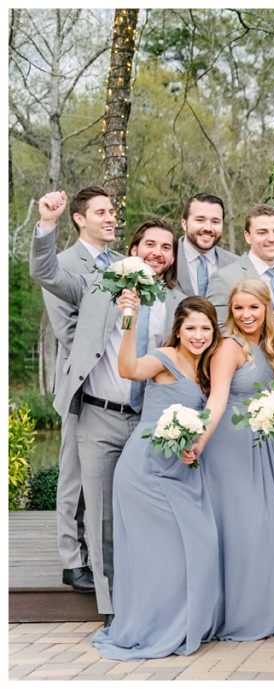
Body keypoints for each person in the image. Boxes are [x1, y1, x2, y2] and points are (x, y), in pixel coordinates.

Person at [31, 198, 185, 622]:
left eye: (166, 247)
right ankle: (113, 608)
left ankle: (154, 593)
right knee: (99, 517)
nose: (157, 252)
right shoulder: (98, 283)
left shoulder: (176, 300)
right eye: (149, 244)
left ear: (173, 256)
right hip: (99, 414)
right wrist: (47, 222)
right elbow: (45, 273)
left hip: (149, 417)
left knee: (145, 508)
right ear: (133, 250)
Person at [91, 296, 222, 659]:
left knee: (200, 543)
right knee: (157, 554)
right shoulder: (164, 358)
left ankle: (179, 623)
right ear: (178, 330)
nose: (198, 335)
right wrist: (128, 319)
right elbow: (129, 369)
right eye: (191, 328)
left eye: (205, 328)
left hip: (180, 468)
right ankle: (153, 628)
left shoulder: (207, 367)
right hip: (145, 467)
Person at [189, 279, 274, 640]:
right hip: (229, 442)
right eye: (238, 308)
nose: (246, 315)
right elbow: (215, 399)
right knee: (241, 527)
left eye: (254, 307)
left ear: (266, 307)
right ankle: (236, 615)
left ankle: (257, 608)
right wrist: (200, 442)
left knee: (262, 526)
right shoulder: (229, 347)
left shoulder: (265, 346)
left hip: (258, 442)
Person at [40, 186, 115, 595]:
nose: (110, 218)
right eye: (101, 212)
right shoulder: (66, 263)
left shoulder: (123, 264)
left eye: (112, 211)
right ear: (79, 218)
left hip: (119, 387)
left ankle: (100, 553)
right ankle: (71, 560)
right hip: (81, 383)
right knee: (73, 477)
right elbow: (67, 329)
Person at [206, 204, 274, 327]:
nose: (272, 238)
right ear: (248, 237)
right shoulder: (224, 278)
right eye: (262, 233)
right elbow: (219, 329)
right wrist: (266, 323)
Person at [177, 192, 237, 298]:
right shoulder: (165, 260)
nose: (208, 228)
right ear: (184, 224)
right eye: (200, 220)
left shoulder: (236, 265)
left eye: (215, 221)